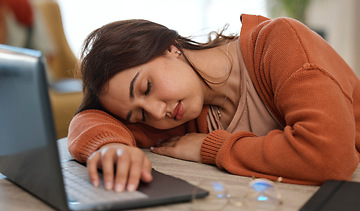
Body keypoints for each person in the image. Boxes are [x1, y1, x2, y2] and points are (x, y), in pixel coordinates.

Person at [68, 14, 360, 193]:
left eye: (146, 86)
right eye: (140, 115)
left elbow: (329, 157)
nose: (158, 112)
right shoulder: (184, 115)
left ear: (171, 48)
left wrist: (213, 148)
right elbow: (91, 119)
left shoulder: (280, 42)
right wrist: (109, 147)